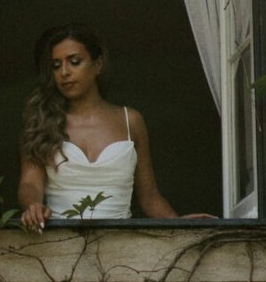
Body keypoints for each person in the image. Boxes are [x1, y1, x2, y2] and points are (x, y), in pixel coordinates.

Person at [16, 23, 180, 231]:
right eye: (56, 66)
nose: (64, 72)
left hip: (120, 249)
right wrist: (33, 206)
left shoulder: (131, 121)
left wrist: (187, 230)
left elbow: (149, 197)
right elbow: (29, 184)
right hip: (57, 246)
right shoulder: (40, 122)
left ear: (98, 64)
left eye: (74, 62)